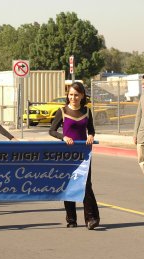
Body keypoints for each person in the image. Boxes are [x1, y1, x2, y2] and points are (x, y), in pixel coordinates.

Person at [49, 81, 100, 230]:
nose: (73, 97)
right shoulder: (62, 111)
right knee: (69, 184)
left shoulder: (87, 111)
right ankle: (71, 219)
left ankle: (91, 218)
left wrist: (90, 135)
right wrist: (63, 137)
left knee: (85, 184)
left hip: (83, 153)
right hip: (66, 154)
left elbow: (91, 130)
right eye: (71, 94)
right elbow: (52, 130)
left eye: (76, 95)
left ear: (82, 95)